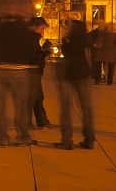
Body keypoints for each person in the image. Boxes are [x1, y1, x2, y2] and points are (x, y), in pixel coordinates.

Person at [0, 16, 38, 146]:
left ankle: (2, 137)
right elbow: (32, 52)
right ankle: (22, 136)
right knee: (21, 106)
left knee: (0, 106)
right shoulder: (25, 31)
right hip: (19, 70)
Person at [54, 20, 96, 150]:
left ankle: (66, 140)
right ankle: (89, 139)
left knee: (66, 109)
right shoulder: (87, 40)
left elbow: (65, 53)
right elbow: (90, 56)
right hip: (83, 74)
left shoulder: (68, 39)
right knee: (86, 109)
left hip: (68, 74)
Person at [27, 17, 51, 128]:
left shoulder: (33, 38)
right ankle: (32, 122)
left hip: (34, 71)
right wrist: (44, 52)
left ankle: (41, 120)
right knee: (34, 97)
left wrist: (44, 51)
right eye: (42, 28)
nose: (43, 31)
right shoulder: (32, 38)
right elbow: (33, 57)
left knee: (37, 97)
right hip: (32, 71)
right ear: (35, 27)